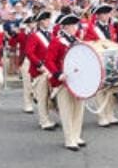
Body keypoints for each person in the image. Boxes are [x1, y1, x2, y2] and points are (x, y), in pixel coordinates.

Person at [45, 13, 86, 151]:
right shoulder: (57, 41)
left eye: (76, 25)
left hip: (78, 80)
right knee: (67, 110)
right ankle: (69, 139)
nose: (76, 27)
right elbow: (49, 61)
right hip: (63, 81)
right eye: (73, 25)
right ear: (66, 26)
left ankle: (76, 135)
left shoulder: (77, 40)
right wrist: (58, 74)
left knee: (78, 109)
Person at [84, 3, 118, 127]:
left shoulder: (111, 27)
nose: (106, 15)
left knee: (110, 87)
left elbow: (114, 42)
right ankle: (102, 116)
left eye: (108, 13)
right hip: (98, 61)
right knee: (100, 90)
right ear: (98, 16)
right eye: (104, 14)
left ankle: (110, 114)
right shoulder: (91, 28)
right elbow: (88, 43)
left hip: (110, 60)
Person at [25, 10, 56, 131]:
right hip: (40, 70)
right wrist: (39, 64)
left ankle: (47, 118)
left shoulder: (50, 34)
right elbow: (29, 52)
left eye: (49, 19)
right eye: (46, 20)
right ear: (41, 22)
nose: (48, 22)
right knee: (42, 96)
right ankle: (44, 121)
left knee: (48, 96)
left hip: (49, 69)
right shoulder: (34, 35)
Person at [9, 15, 34, 114]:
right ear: (28, 24)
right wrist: (14, 34)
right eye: (31, 23)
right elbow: (12, 43)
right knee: (27, 83)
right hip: (26, 60)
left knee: (38, 82)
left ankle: (35, 95)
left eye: (34, 22)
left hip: (38, 61)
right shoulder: (22, 34)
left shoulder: (38, 33)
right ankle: (28, 105)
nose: (33, 24)